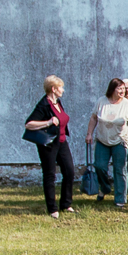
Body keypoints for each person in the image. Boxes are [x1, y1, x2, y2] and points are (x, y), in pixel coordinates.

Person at [23, 75, 76, 218]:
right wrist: (48, 122)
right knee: (50, 175)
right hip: (49, 144)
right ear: (53, 89)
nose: (63, 90)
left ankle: (66, 204)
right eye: (61, 88)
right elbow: (29, 124)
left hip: (62, 141)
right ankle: (53, 209)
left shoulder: (58, 103)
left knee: (69, 171)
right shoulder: (44, 105)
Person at [86, 77, 128, 208]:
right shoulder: (101, 101)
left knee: (120, 169)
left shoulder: (127, 104)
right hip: (102, 139)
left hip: (120, 140)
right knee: (99, 166)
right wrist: (89, 134)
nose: (123, 91)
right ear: (112, 89)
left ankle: (120, 198)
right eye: (120, 88)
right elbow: (93, 118)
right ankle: (105, 187)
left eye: (124, 88)